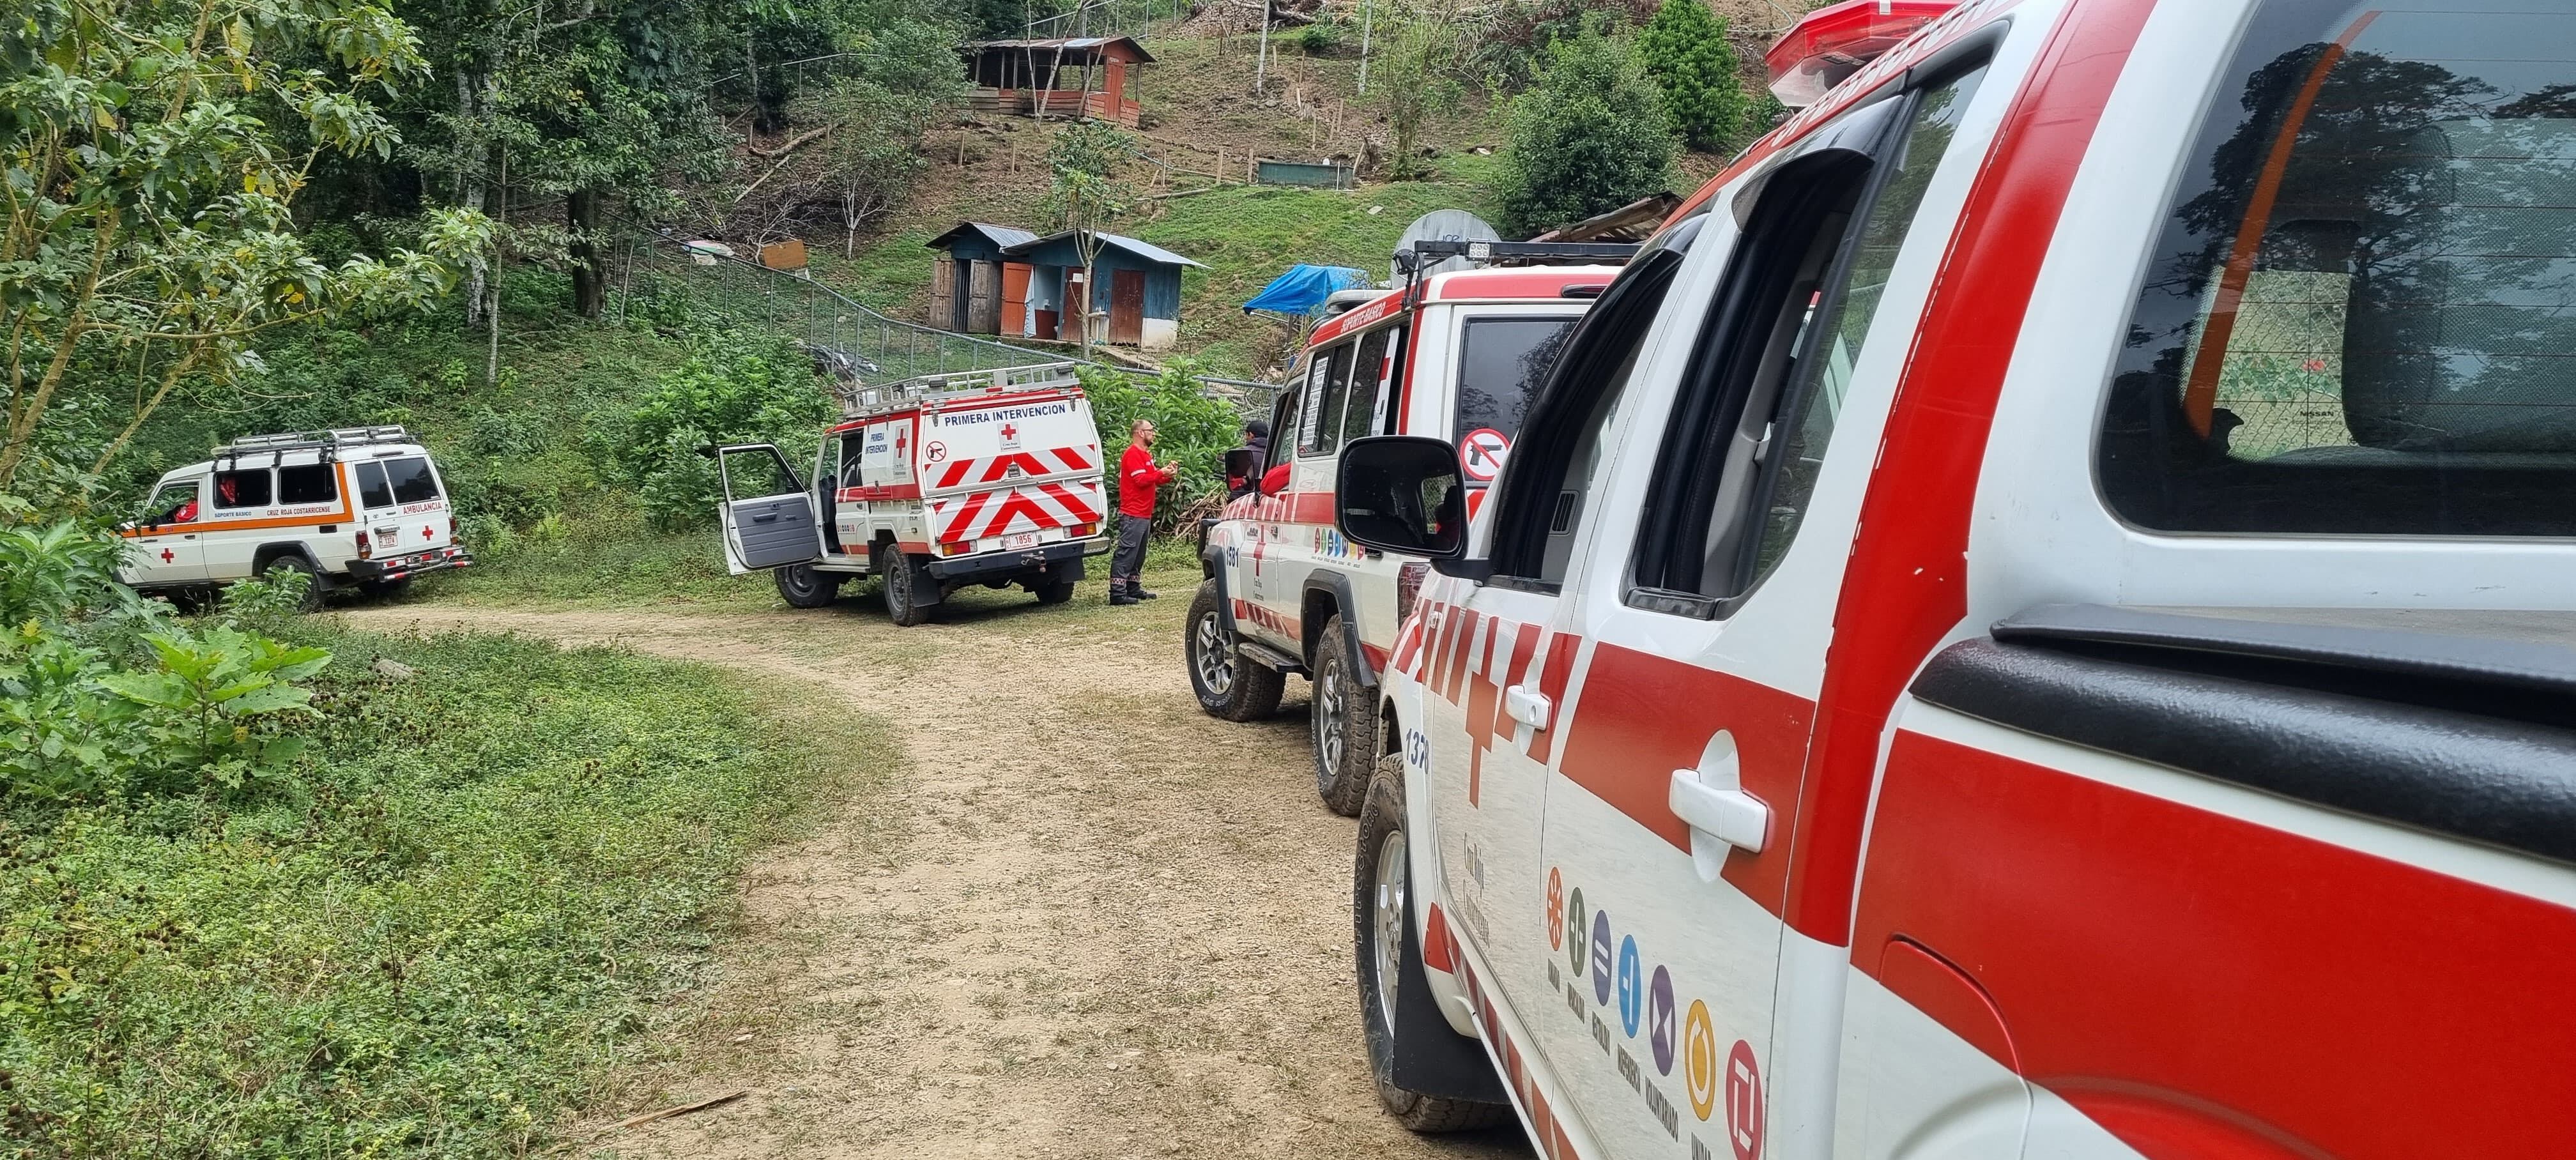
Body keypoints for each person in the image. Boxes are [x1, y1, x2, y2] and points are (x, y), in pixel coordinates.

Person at [1112, 418, 1176, 606]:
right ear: (1140, 433)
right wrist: (1160, 472)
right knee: (1127, 552)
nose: (1153, 433)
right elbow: (1140, 480)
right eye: (1150, 430)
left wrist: (1167, 475)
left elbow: (1151, 479)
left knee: (1138, 554)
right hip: (1133, 513)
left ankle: (1133, 587)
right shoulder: (1132, 455)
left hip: (1143, 513)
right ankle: (1117, 592)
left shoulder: (1146, 455)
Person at [1227, 419, 1271, 499]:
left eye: (1246, 435)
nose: (1246, 438)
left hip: (1247, 499)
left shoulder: (1240, 454)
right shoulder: (1275, 454)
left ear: (1251, 434)